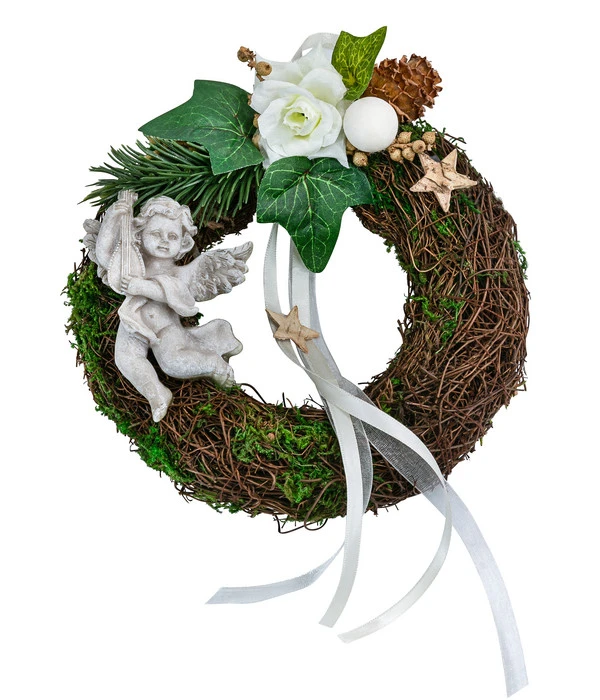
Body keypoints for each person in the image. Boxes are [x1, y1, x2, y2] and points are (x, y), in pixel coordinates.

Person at [84, 194, 252, 422]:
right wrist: (115, 215)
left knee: (173, 362)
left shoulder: (179, 273)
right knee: (125, 358)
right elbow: (105, 255)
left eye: (172, 236)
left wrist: (141, 286)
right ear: (139, 234)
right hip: (133, 323)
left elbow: (175, 293)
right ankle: (157, 394)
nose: (164, 241)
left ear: (184, 243)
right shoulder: (133, 264)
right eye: (156, 233)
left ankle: (213, 364)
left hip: (166, 330)